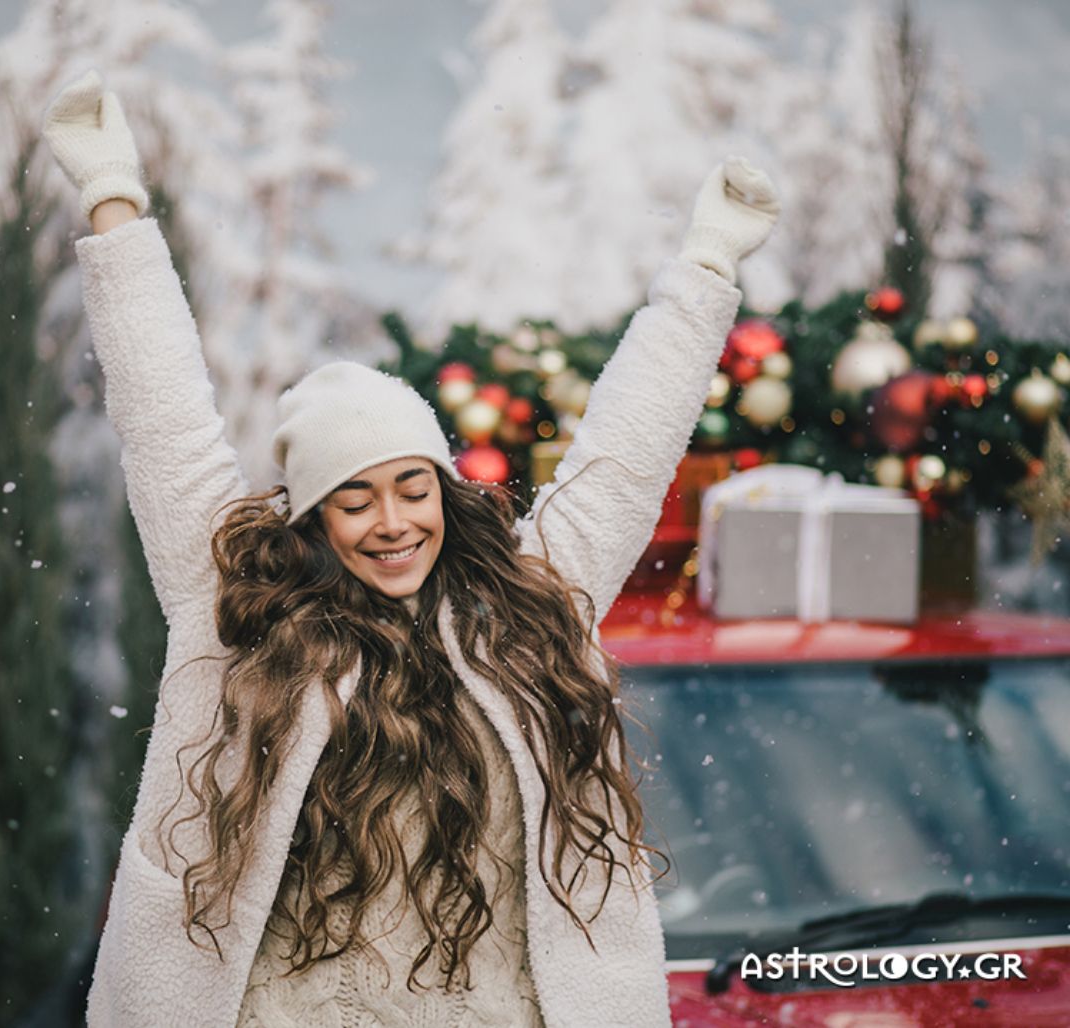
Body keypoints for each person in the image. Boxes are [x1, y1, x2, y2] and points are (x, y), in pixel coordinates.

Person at [42, 69, 780, 1028]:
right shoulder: (233, 612)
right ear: (313, 520)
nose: (392, 521)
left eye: (410, 486)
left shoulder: (530, 599)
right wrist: (113, 198)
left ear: (444, 489)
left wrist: (709, 262)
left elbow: (628, 452)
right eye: (354, 499)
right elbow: (163, 415)